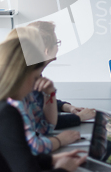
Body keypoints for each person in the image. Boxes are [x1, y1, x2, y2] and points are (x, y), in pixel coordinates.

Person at [0, 27, 86, 172]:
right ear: (19, 76)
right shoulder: (5, 114)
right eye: (35, 78)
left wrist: (51, 160)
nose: (33, 87)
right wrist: (64, 169)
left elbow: (17, 156)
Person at [7, 21, 95, 155]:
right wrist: (75, 121)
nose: (58, 46)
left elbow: (43, 125)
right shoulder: (20, 92)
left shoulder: (32, 78)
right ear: (46, 50)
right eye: (57, 42)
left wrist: (63, 104)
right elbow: (37, 138)